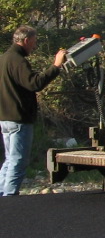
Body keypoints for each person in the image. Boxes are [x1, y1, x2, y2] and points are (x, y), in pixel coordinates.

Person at [0, 26, 66, 196]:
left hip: (5, 117)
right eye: (34, 42)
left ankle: (2, 193)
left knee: (10, 158)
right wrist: (56, 66)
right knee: (18, 160)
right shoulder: (18, 60)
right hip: (19, 118)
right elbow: (34, 83)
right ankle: (9, 196)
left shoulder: (4, 58)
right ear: (26, 40)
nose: (34, 46)